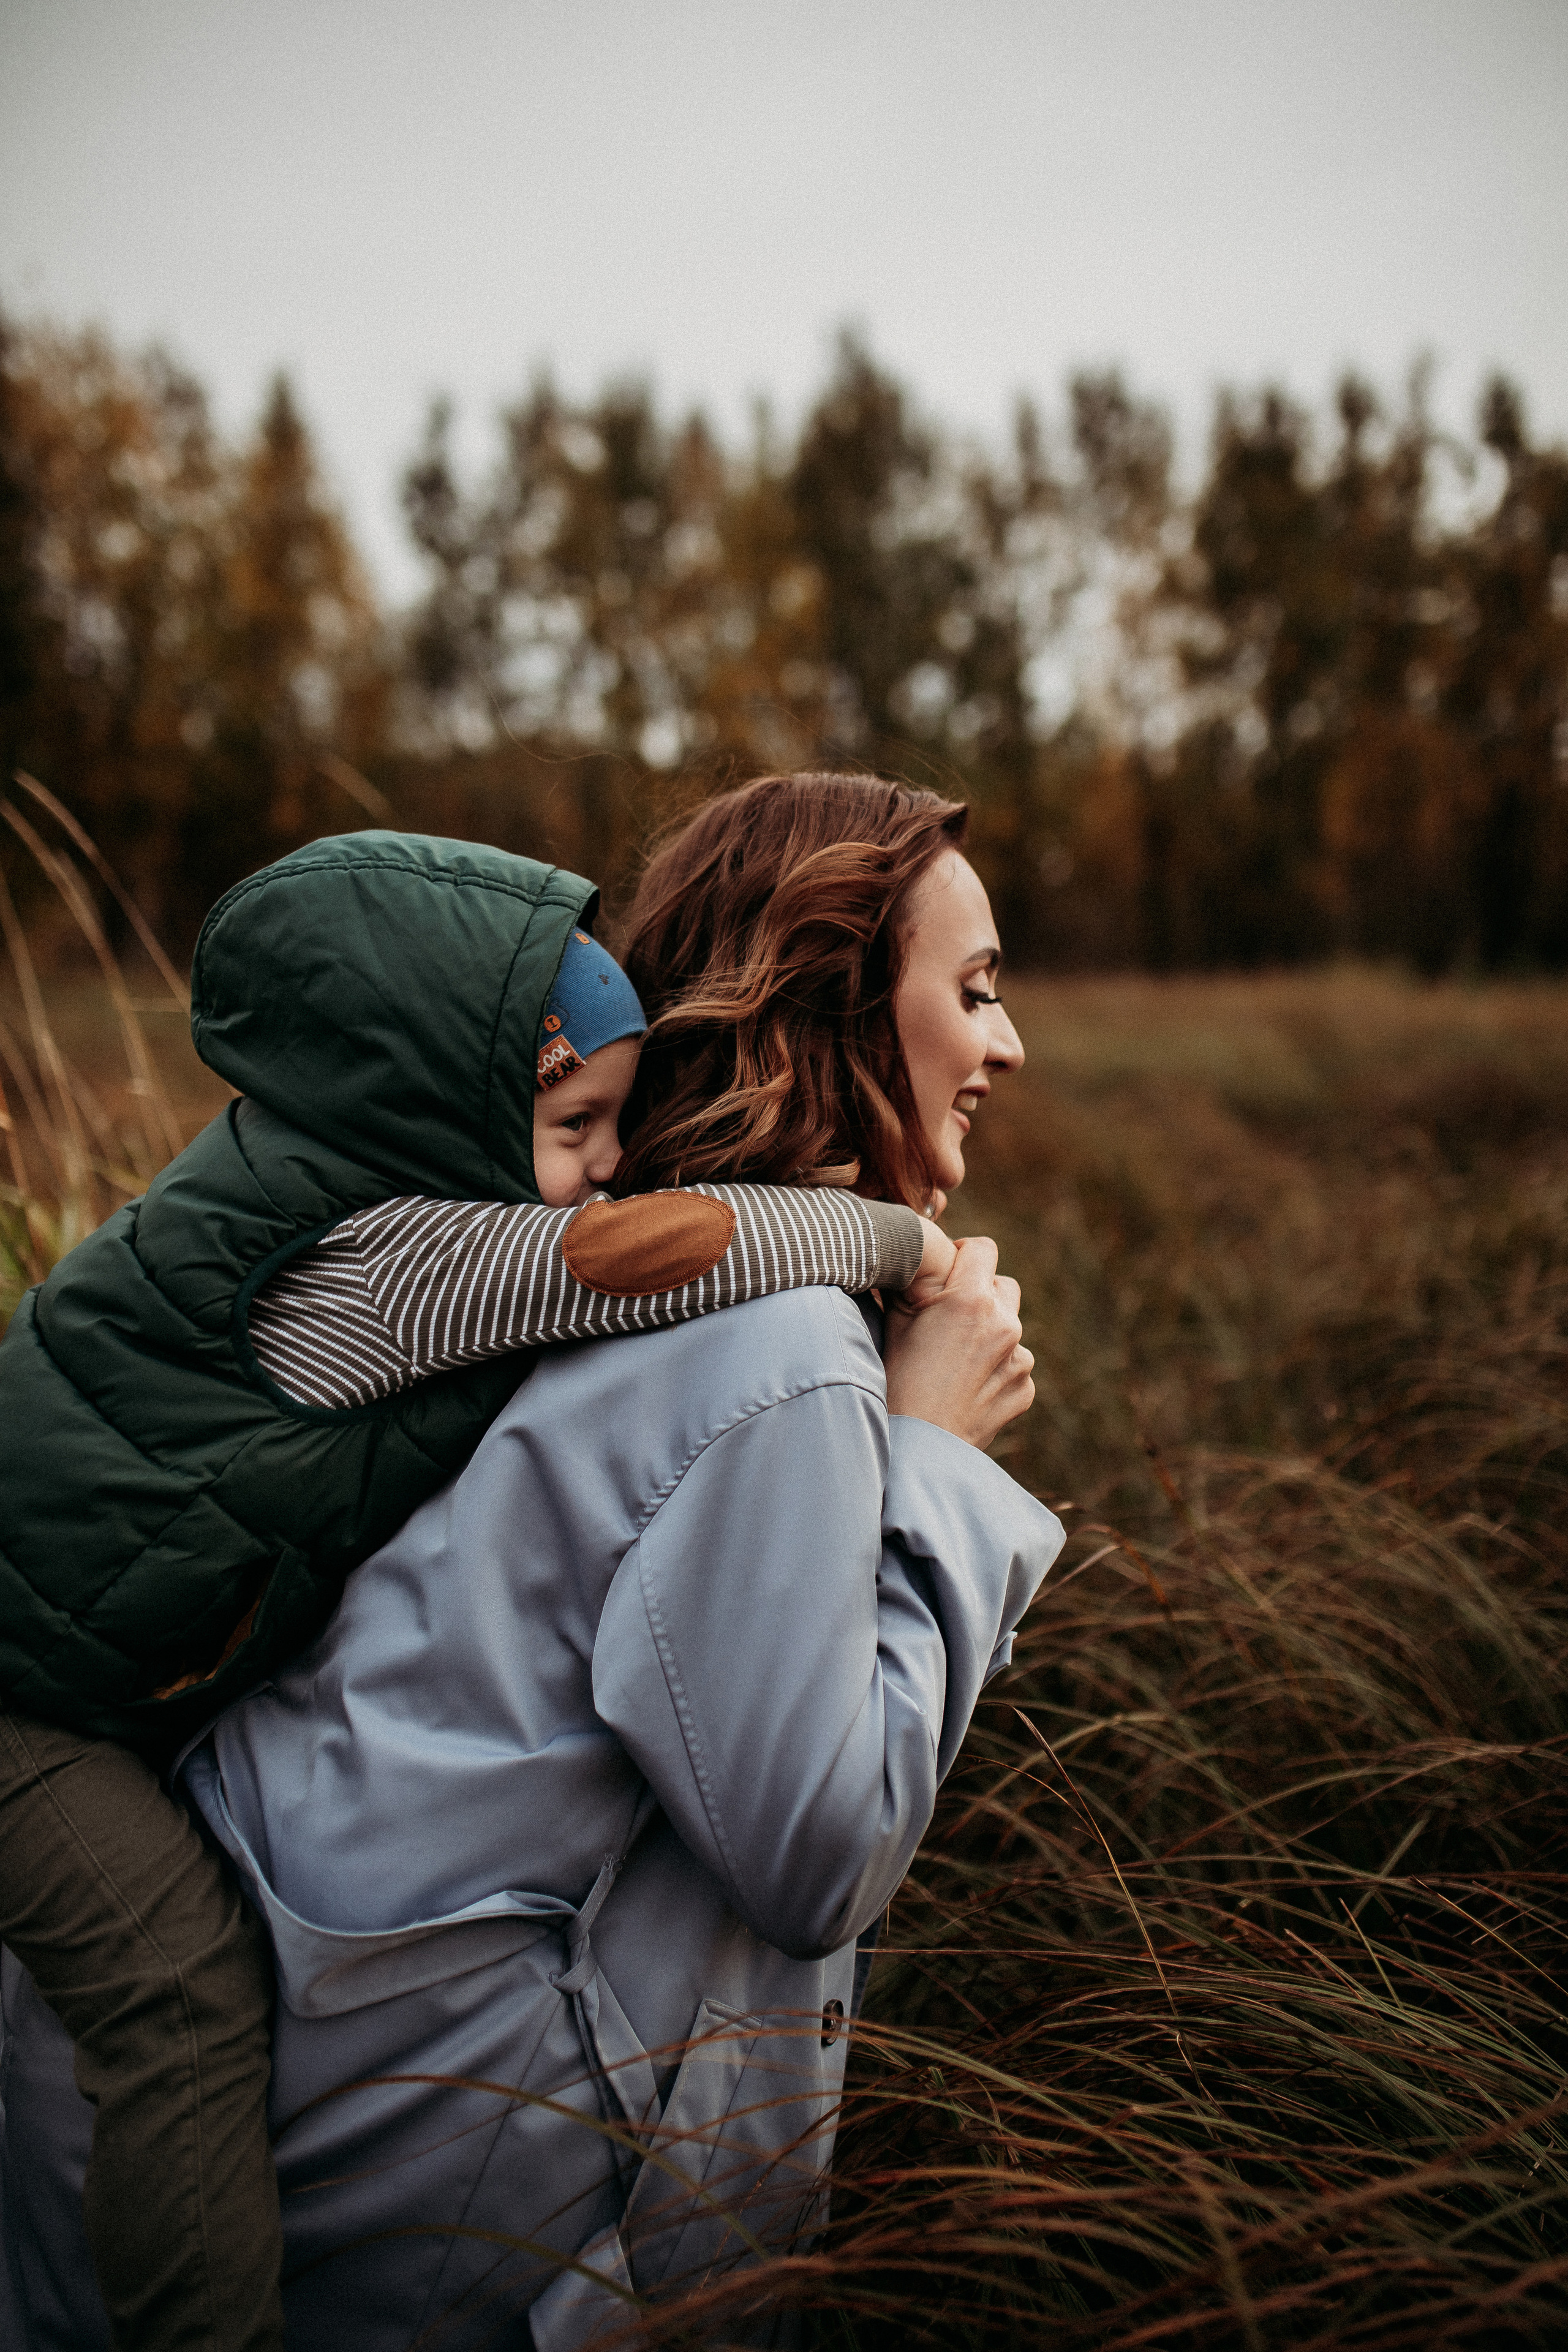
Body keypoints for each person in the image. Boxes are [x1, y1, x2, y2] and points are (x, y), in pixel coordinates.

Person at [1, 776, 1063, 2351]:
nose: (1008, 1041)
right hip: (380, 2208)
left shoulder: (552, 1256)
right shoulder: (727, 1336)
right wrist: (934, 1461)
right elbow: (816, 1849)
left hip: (221, 2091)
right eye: (970, 989)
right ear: (834, 999)